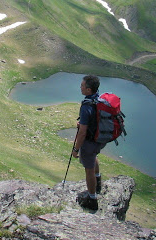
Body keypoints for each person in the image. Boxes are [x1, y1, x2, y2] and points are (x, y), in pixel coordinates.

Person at [72, 75, 104, 210]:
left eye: (82, 86)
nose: (80, 87)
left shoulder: (86, 107)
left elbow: (83, 132)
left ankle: (92, 199)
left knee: (88, 169)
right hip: (100, 139)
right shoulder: (100, 99)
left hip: (90, 141)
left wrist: (76, 149)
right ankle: (98, 181)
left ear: (89, 89)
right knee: (93, 156)